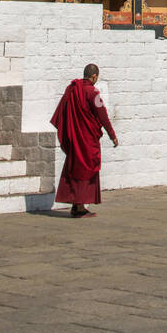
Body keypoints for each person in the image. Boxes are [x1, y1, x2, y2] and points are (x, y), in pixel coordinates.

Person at [50, 64, 119, 218]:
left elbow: (62, 110)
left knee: (75, 168)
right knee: (86, 169)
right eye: (97, 77)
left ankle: (77, 205)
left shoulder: (72, 89)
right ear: (94, 76)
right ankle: (79, 207)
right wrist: (112, 134)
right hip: (87, 139)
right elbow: (102, 115)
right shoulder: (92, 92)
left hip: (75, 137)